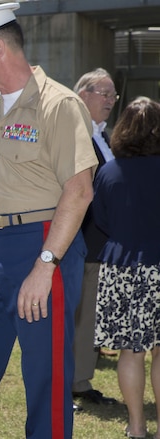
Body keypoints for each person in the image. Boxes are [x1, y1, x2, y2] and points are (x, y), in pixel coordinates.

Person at [0, 3, 98, 438]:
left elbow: (79, 190)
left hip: (44, 243)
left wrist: (45, 265)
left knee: (45, 376)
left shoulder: (58, 104)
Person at [92, 97, 160, 439]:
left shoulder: (107, 171)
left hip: (121, 268)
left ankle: (136, 426)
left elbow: (101, 220)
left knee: (130, 352)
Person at [70, 67, 119, 408]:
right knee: (82, 314)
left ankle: (80, 378)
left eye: (113, 96)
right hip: (82, 239)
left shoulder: (102, 135)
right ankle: (74, 381)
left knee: (89, 315)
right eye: (104, 94)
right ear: (83, 94)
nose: (111, 101)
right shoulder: (75, 134)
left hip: (101, 241)